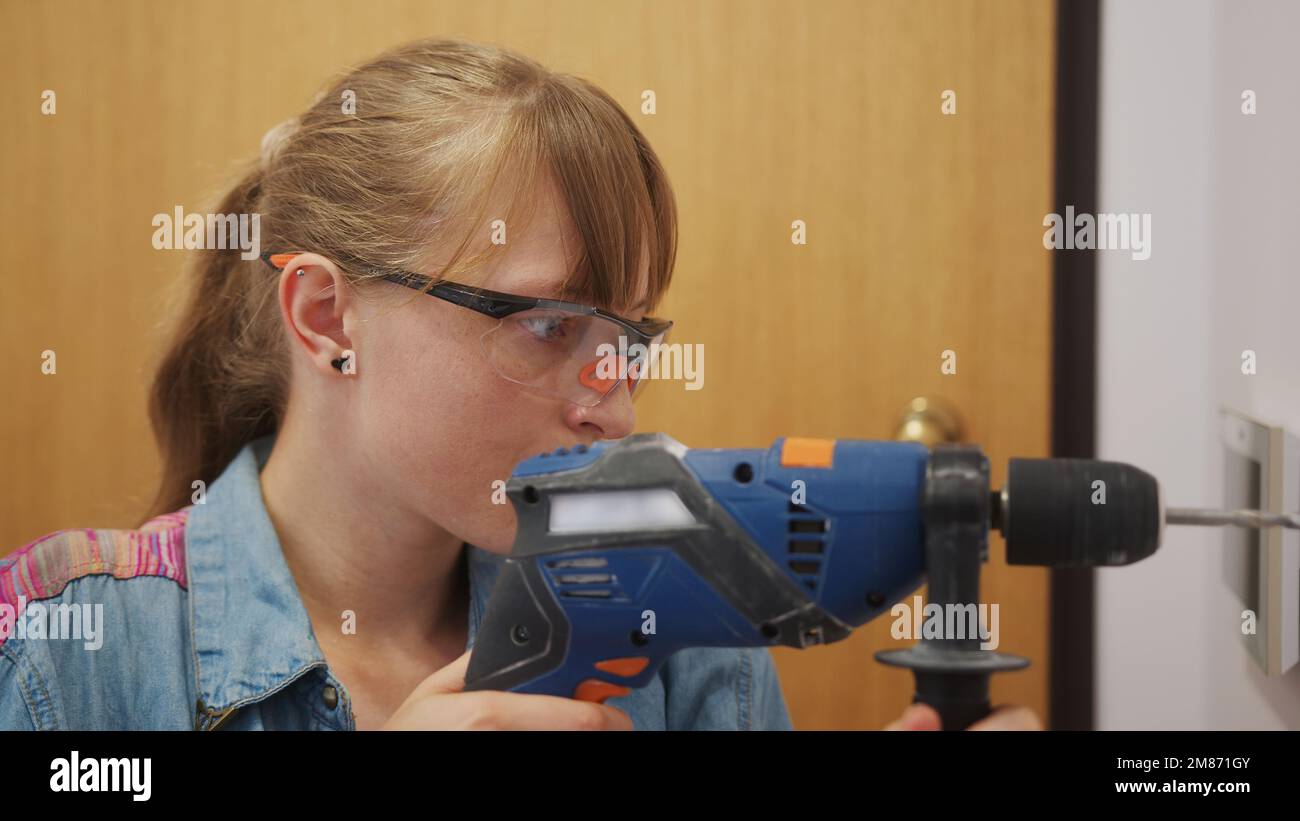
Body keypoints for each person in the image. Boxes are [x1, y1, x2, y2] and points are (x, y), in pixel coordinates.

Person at [0, 37, 1039, 731]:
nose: (616, 406)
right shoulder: (68, 651)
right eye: (547, 324)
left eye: (629, 338)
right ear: (325, 316)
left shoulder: (684, 643)